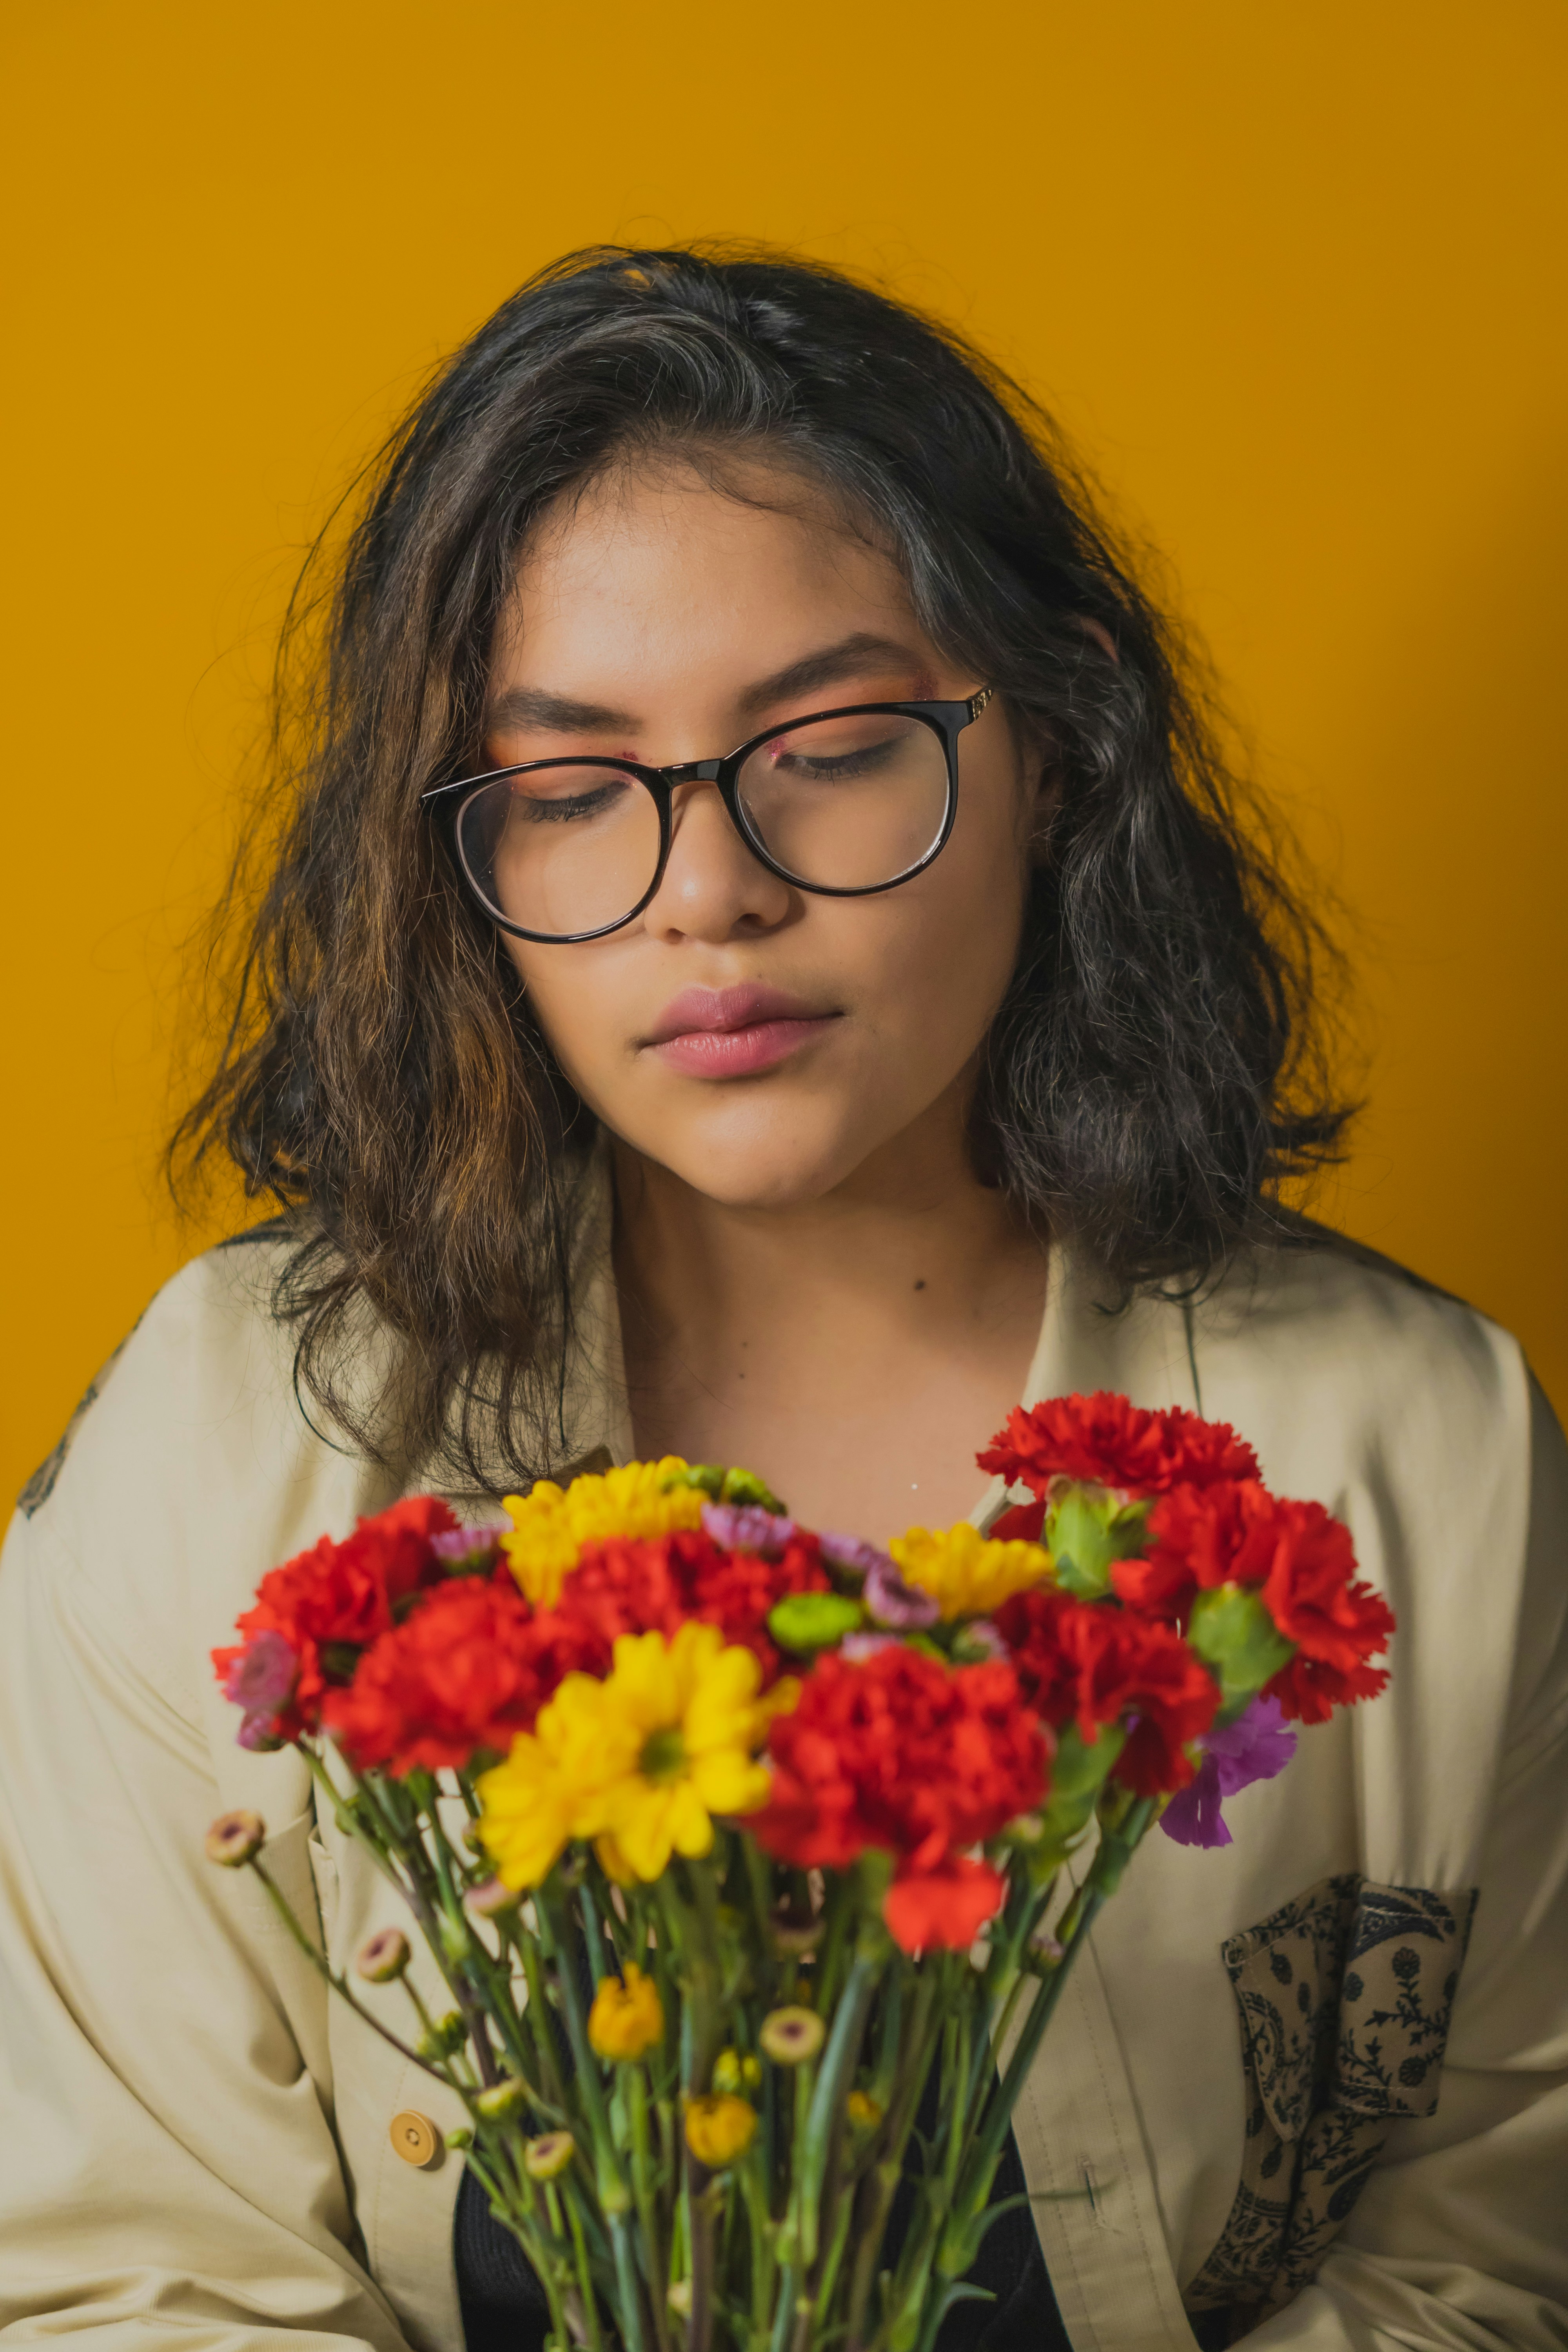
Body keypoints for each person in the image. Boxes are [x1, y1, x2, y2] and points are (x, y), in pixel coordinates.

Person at [0, 246, 1562, 2352]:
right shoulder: (221, 1441)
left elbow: (1496, 2243)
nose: (712, 888)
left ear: (1062, 737)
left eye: (825, 749)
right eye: (565, 796)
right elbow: (114, 2266)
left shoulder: (1428, 1445)